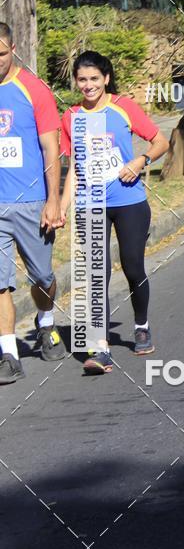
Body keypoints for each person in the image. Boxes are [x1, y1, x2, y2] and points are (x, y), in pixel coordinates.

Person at [60, 51, 169, 374]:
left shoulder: (124, 107)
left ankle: (142, 324)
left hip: (128, 201)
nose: (88, 85)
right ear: (76, 82)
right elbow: (74, 170)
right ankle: (100, 348)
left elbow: (160, 141)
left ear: (106, 78)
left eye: (94, 78)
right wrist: (62, 207)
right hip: (89, 204)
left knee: (133, 266)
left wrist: (141, 161)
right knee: (96, 276)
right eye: (82, 79)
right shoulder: (71, 117)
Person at [0, 22, 66, 384]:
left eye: (1, 53)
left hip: (31, 202)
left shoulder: (34, 89)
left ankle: (45, 322)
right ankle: (9, 355)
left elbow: (51, 148)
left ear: (13, 49)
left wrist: (53, 200)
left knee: (42, 277)